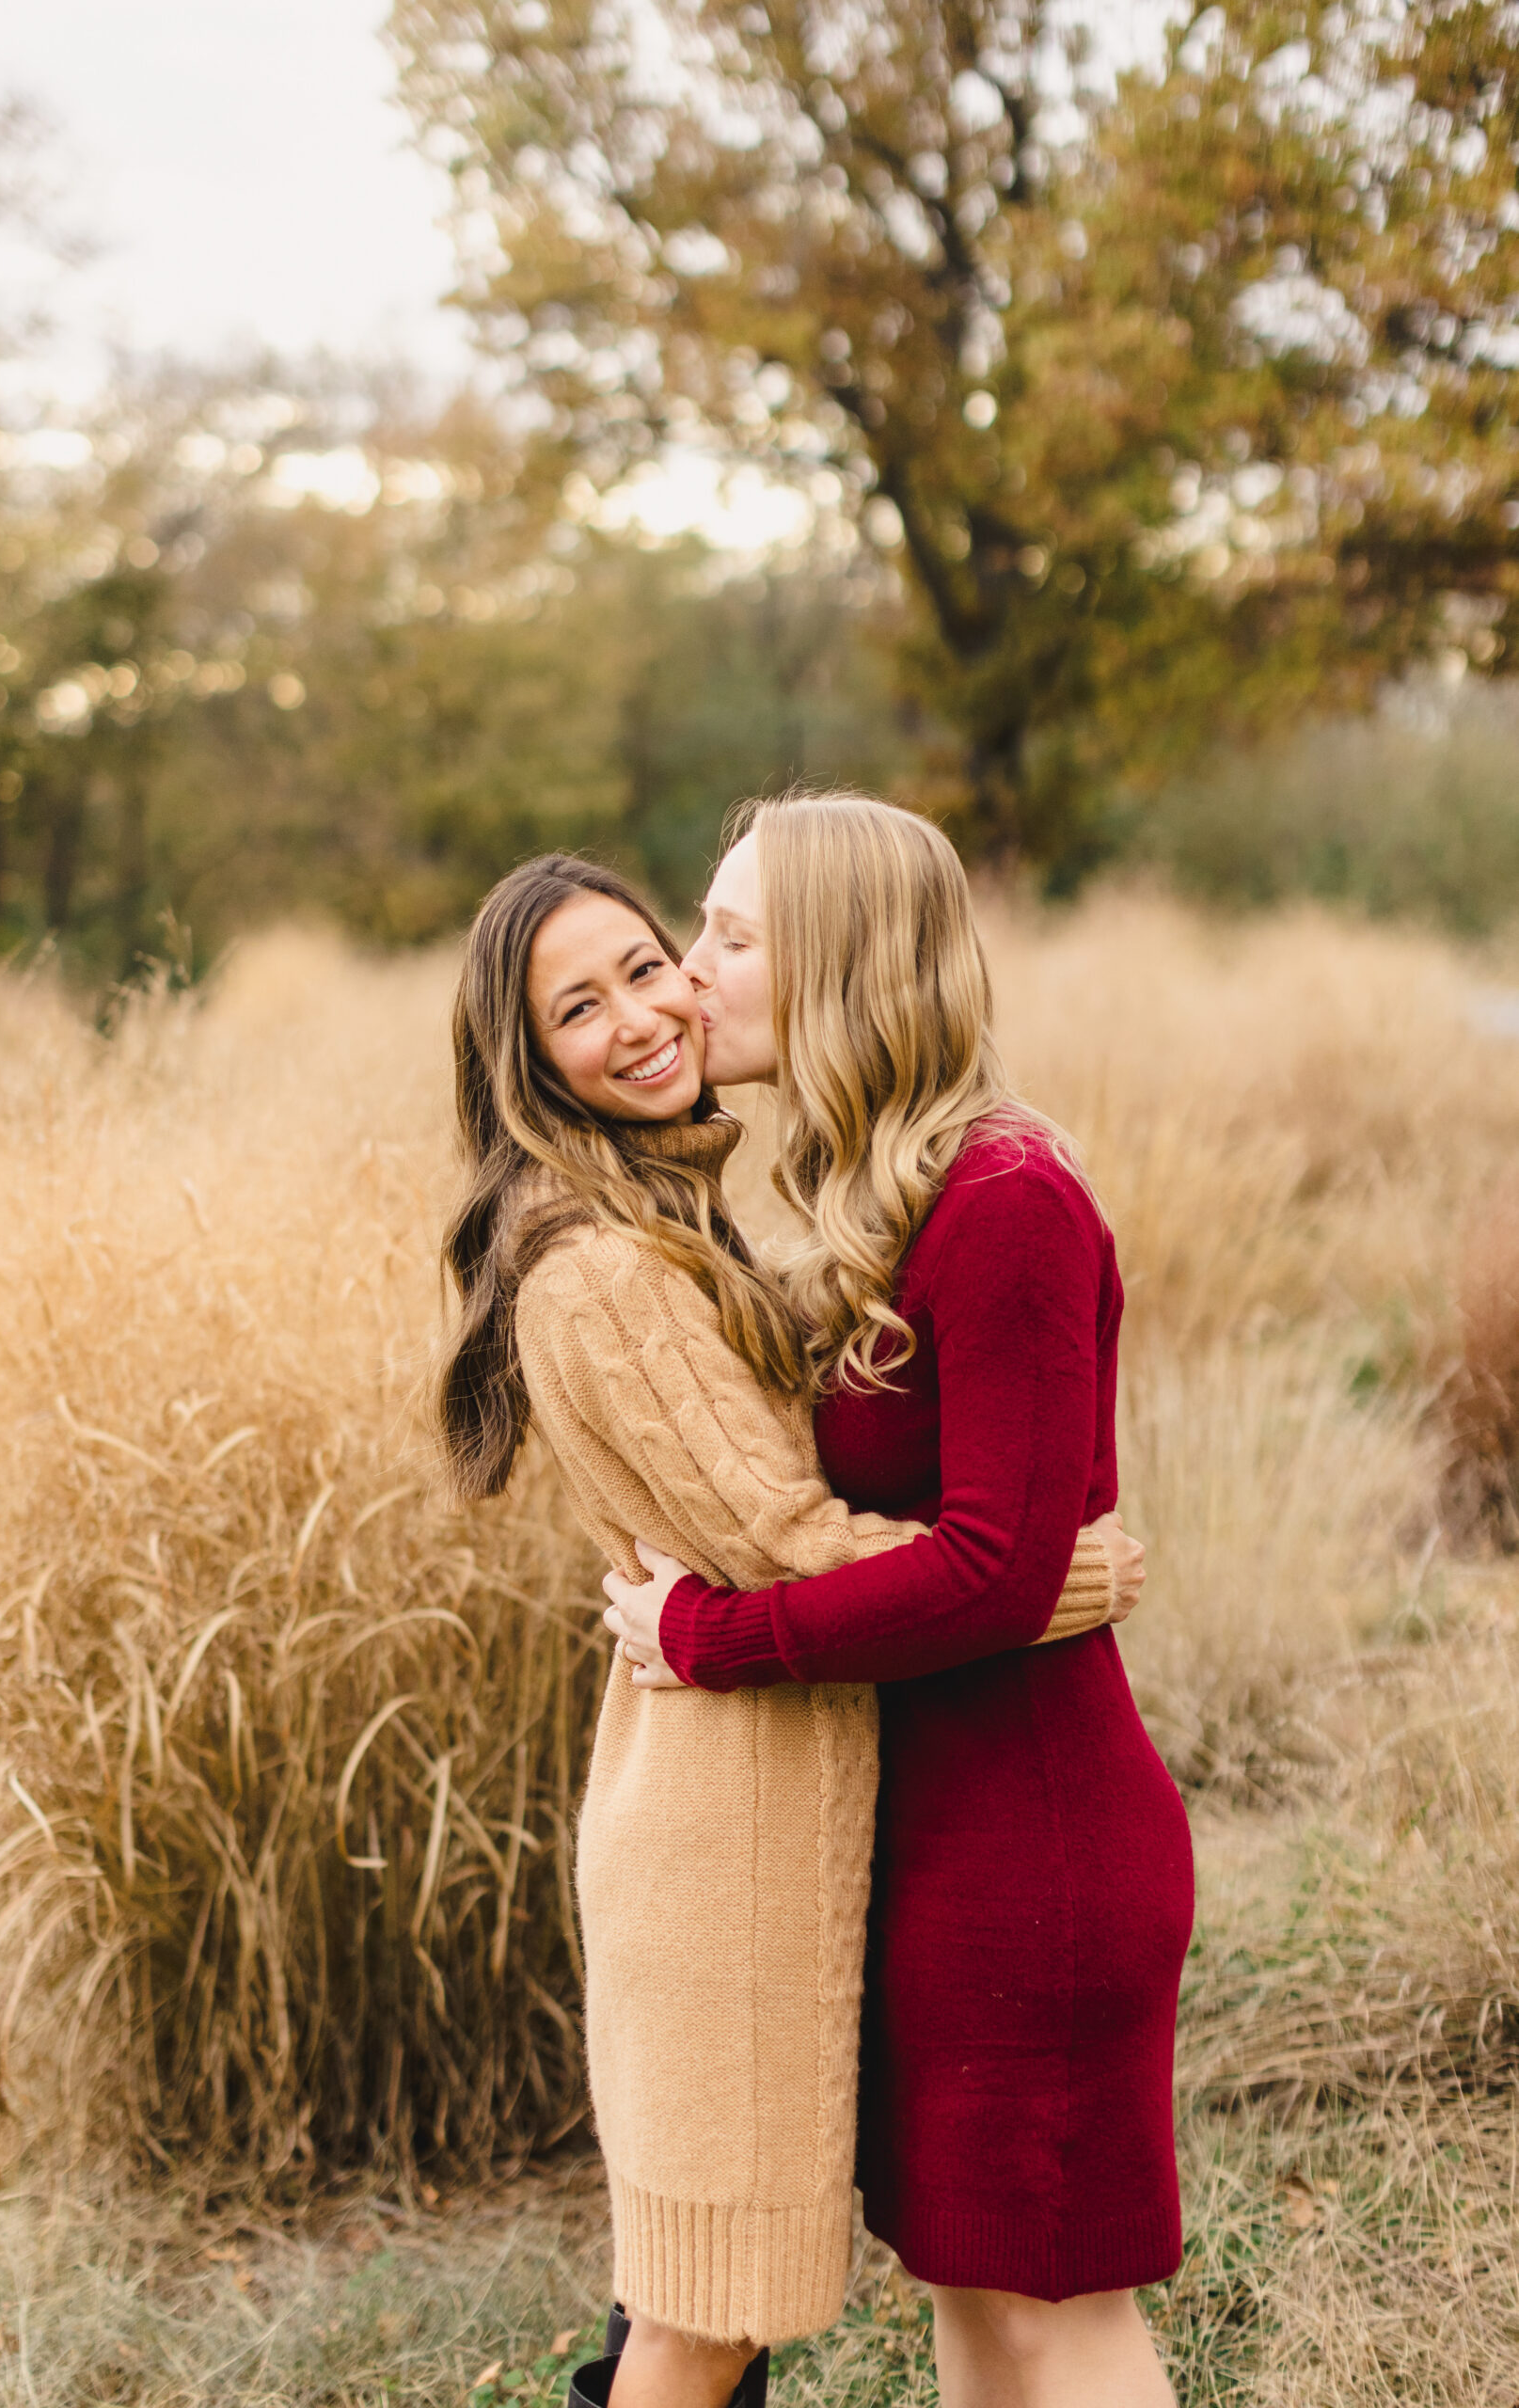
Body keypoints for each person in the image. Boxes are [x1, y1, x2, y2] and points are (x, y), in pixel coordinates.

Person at [435, 852, 1142, 2408]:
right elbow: (794, 1545)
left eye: (661, 957)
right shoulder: (607, 1264)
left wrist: (1003, 1560)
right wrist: (1058, 1574)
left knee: (703, 2313)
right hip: (726, 1831)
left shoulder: (680, 1216)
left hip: (763, 1803)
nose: (655, 1001)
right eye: (582, 1002)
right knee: (704, 2319)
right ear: (524, 1060)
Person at [604, 796, 1194, 2408]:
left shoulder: (1008, 1198)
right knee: (974, 2305)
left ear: (841, 965)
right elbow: (978, 1550)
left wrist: (712, 1640)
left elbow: (995, 1564)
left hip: (1038, 1845)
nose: (688, 969)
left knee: (1047, 2314)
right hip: (932, 1835)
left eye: (731, 935)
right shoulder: (873, 1197)